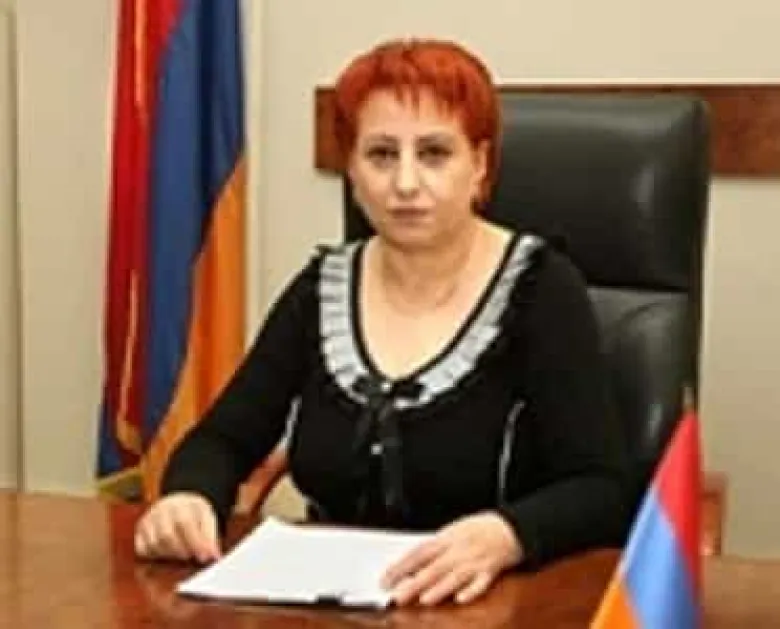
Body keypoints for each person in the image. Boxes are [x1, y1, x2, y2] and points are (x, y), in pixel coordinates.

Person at [134, 37, 628, 606]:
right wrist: (189, 497)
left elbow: (603, 489)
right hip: (328, 603)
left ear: (480, 165)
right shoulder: (322, 287)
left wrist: (507, 535)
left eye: (434, 153)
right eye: (382, 155)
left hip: (488, 604)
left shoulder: (541, 289)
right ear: (352, 168)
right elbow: (222, 439)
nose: (406, 183)